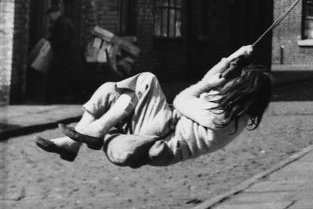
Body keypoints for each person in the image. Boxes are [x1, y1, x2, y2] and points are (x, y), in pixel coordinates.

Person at [35, 45, 271, 169]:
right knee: (111, 90)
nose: (233, 83)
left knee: (147, 80)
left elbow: (181, 100)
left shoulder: (224, 118)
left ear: (244, 93)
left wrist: (206, 84)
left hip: (162, 140)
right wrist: (234, 57)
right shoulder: (230, 109)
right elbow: (208, 81)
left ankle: (96, 131)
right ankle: (72, 144)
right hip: (161, 128)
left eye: (238, 83)